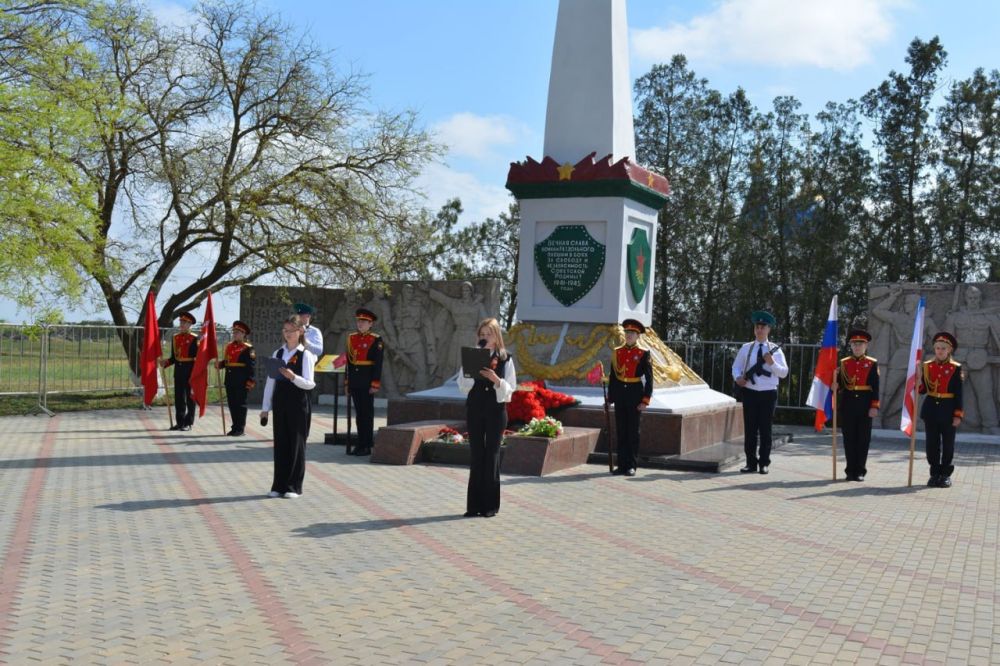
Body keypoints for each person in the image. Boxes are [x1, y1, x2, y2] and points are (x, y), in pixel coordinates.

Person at [458, 317, 516, 517]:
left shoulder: (505, 358)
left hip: (495, 411)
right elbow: (462, 386)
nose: (484, 338)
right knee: (477, 455)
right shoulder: (473, 356)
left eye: (488, 334)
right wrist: (470, 372)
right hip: (475, 408)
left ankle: (490, 506)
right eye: (481, 335)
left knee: (491, 455)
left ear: (496, 336)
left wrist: (496, 380)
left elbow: (510, 389)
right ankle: (473, 506)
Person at [260, 315, 317, 498]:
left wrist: (294, 377)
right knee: (281, 443)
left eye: (291, 331)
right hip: (280, 402)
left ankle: (293, 486)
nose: (287, 334)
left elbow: (310, 383)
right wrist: (265, 408)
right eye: (285, 331)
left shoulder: (306, 354)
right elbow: (270, 382)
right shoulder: (278, 353)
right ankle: (279, 485)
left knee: (296, 444)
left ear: (300, 331)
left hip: (298, 402)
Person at [732, 310, 789, 474]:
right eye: (757, 327)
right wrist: (738, 378)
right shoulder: (746, 348)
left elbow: (783, 373)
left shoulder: (775, 351)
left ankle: (764, 463)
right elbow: (736, 367)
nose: (759, 330)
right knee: (750, 430)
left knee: (765, 430)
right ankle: (751, 462)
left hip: (768, 394)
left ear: (768, 329)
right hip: (750, 392)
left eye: (763, 327)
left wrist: (772, 363)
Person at [606, 319, 653, 476]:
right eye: (627, 333)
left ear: (638, 336)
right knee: (621, 430)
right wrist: (610, 398)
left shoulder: (643, 353)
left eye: (632, 334)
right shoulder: (617, 352)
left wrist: (645, 400)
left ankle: (631, 465)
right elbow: (613, 377)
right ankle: (621, 464)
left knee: (633, 432)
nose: (629, 336)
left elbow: (649, 379)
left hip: (635, 394)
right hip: (620, 395)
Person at [918, 332, 964, 488]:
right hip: (931, 409)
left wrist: (958, 414)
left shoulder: (955, 368)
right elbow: (923, 390)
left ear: (949, 350)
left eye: (943, 348)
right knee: (932, 444)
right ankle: (934, 473)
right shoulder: (927, 366)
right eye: (937, 348)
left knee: (948, 444)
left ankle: (945, 474)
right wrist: (917, 380)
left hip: (948, 409)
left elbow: (959, 393)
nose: (940, 351)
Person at [837, 329, 879, 481]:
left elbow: (876, 387)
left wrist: (874, 406)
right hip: (848, 404)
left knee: (863, 439)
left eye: (860, 344)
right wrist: (835, 384)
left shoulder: (872, 363)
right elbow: (840, 385)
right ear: (851, 346)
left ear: (866, 346)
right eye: (854, 344)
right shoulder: (844, 363)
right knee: (849, 439)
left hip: (865, 404)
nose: (857, 347)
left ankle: (860, 470)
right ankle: (850, 470)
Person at [346, 308, 384, 456]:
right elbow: (349, 363)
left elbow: (378, 363)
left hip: (367, 381)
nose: (360, 324)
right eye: (359, 321)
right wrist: (347, 383)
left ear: (370, 324)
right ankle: (359, 444)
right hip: (355, 381)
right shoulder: (351, 338)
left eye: (364, 321)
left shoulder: (376, 339)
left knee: (367, 414)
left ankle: (367, 445)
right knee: (359, 414)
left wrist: (375, 383)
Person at [159, 311, 198, 431]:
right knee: (179, 398)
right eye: (180, 321)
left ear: (190, 324)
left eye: (184, 322)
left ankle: (188, 422)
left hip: (191, 371)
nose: (181, 324)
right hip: (179, 371)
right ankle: (180, 422)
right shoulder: (175, 338)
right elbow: (174, 358)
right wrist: (166, 362)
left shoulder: (195, 338)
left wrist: (196, 374)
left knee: (190, 398)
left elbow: (199, 359)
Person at [216, 320, 256, 436]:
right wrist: (220, 364)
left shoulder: (248, 348)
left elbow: (251, 367)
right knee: (232, 404)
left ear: (244, 334)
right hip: (230, 380)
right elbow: (228, 362)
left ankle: (240, 428)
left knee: (240, 405)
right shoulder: (229, 346)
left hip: (241, 381)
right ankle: (234, 427)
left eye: (238, 332)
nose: (235, 334)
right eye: (234, 332)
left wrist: (250, 381)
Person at [294, 303, 322, 437]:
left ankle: (305, 430)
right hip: (293, 366)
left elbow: (319, 350)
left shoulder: (314, 332)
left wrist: (304, 339)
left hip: (306, 368)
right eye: (298, 315)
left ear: (308, 316)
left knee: (304, 401)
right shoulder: (292, 330)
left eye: (302, 315)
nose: (299, 317)